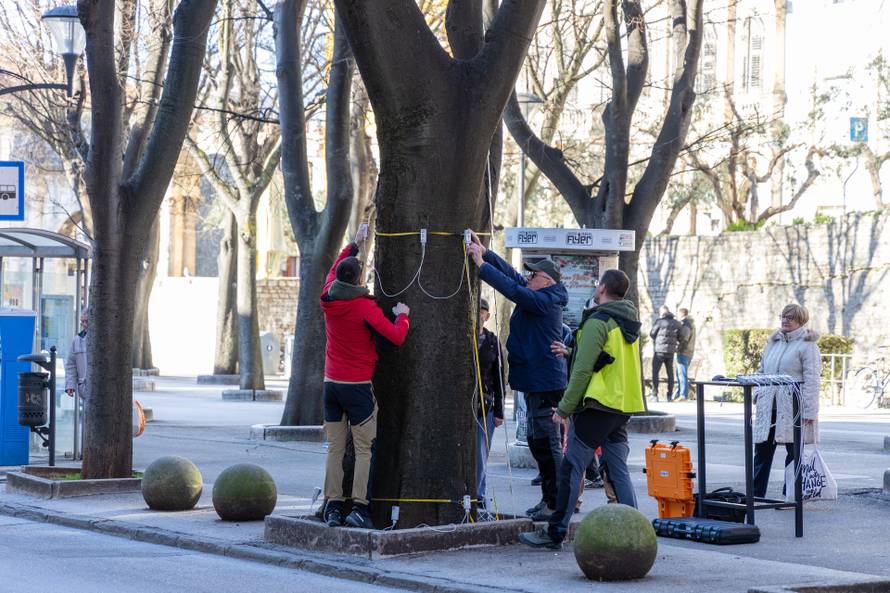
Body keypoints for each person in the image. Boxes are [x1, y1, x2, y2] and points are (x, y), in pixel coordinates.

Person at [520, 269, 645, 550]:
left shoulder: (598, 321)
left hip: (597, 405)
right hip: (621, 406)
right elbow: (608, 360)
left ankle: (555, 532)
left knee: (571, 467)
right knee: (617, 470)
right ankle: (635, 532)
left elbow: (582, 372)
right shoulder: (627, 322)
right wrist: (573, 352)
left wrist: (564, 408)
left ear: (601, 288)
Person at [467, 232, 568, 521]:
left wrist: (481, 266)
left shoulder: (545, 300)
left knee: (548, 445)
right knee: (538, 443)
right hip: (534, 381)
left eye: (533, 275)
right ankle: (549, 499)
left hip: (545, 383)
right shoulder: (540, 292)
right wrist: (486, 254)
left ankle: (556, 504)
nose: (528, 278)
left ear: (546, 280)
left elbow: (515, 290)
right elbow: (512, 276)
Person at [320, 225, 411, 529]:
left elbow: (334, 269)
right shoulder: (364, 308)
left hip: (331, 385)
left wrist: (356, 245)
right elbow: (396, 337)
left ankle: (332, 506)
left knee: (334, 449)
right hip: (357, 387)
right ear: (359, 279)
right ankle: (359, 507)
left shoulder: (328, 298)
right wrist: (403, 315)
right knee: (363, 450)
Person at [752, 303, 821, 498]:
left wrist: (809, 412)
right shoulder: (773, 342)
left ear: (801, 320)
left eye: (790, 317)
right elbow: (762, 371)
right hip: (769, 406)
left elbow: (813, 380)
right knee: (762, 452)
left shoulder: (808, 345)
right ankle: (756, 494)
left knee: (794, 454)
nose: (785, 320)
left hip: (794, 406)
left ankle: (791, 495)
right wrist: (758, 394)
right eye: (783, 316)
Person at [475, 298, 505, 508]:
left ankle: (479, 495)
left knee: (481, 452)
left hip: (485, 405)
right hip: (462, 405)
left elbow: (499, 377)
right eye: (477, 311)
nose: (479, 315)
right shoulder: (463, 337)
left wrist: (499, 411)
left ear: (487, 316)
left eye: (483, 312)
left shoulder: (493, 341)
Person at [649, 305, 682, 401]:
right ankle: (669, 395)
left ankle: (655, 395)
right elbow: (682, 337)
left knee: (655, 372)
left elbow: (652, 333)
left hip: (659, 351)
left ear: (663, 314)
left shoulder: (659, 322)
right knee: (670, 374)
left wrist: (658, 341)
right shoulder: (677, 324)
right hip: (670, 352)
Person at [65, 313, 89, 400]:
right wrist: (70, 385)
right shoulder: (77, 340)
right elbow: (71, 364)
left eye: (87, 321)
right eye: (83, 322)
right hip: (84, 388)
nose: (85, 324)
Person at [675, 308, 696, 401]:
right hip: (689, 352)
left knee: (682, 374)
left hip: (684, 352)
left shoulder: (686, 324)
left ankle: (683, 395)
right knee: (681, 374)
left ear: (681, 314)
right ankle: (680, 394)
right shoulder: (691, 324)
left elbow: (684, 339)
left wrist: (678, 349)